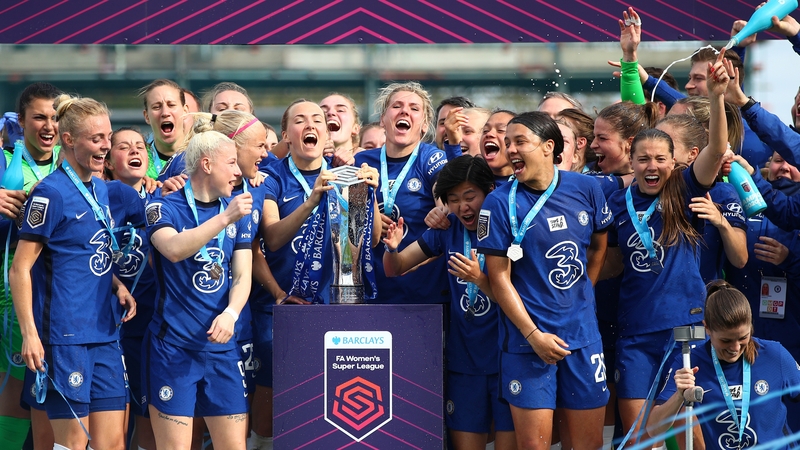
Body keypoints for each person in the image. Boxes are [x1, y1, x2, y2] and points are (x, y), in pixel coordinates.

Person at [601, 52, 731, 446]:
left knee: (688, 430)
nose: (652, 166)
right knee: (641, 436)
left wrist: (719, 98)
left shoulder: (684, 190)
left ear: (674, 163)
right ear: (632, 162)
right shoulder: (614, 200)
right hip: (635, 332)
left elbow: (715, 148)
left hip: (684, 328)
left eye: (661, 158)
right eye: (643, 159)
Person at [10, 94, 142, 450]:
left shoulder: (101, 188)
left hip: (105, 334)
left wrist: (116, 284)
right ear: (68, 140)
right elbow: (20, 269)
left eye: (108, 137)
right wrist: (30, 335)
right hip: (63, 338)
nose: (106, 146)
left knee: (112, 444)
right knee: (71, 446)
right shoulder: (50, 193)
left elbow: (81, 249)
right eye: (96, 139)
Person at [478, 111, 613, 450]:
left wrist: (583, 295)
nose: (510, 149)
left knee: (586, 445)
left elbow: (599, 247)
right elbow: (499, 279)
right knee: (535, 446)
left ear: (548, 146)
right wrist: (533, 334)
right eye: (508, 143)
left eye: (519, 141)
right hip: (527, 344)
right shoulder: (497, 203)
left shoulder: (587, 187)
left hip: (582, 339)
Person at [383, 155, 515, 450]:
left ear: (490, 191)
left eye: (470, 197)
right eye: (453, 199)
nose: (462, 207)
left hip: (508, 357)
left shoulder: (509, 226)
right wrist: (392, 249)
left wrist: (480, 280)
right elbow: (397, 268)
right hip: (464, 360)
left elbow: (519, 300)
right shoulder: (448, 228)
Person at [144, 130, 255, 450]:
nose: (238, 171)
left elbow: (242, 275)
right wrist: (224, 218)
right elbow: (174, 249)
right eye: (231, 162)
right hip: (174, 348)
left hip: (222, 349)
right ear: (206, 164)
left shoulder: (237, 213)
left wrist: (231, 314)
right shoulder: (162, 208)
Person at [648, 281, 800, 449]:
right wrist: (679, 396)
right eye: (726, 340)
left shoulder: (774, 354)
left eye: (743, 338)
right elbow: (654, 430)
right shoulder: (690, 362)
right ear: (707, 328)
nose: (735, 348)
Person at [0, 82, 62, 449]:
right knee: (13, 407)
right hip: (9, 305)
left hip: (60, 307)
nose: (49, 125)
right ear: (21, 121)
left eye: (55, 117)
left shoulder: (76, 163)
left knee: (53, 412)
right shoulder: (7, 162)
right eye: (39, 117)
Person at [353, 82, 450, 304]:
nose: (405, 111)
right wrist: (371, 209)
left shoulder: (431, 157)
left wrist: (442, 209)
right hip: (373, 294)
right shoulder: (362, 162)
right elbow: (355, 230)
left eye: (414, 108)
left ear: (424, 125)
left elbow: (443, 195)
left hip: (425, 296)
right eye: (397, 106)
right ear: (382, 120)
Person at [104, 126, 161, 450]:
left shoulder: (163, 197)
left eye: (140, 146)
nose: (135, 151)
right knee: (111, 420)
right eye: (124, 147)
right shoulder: (97, 196)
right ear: (109, 160)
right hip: (104, 324)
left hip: (148, 323)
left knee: (146, 414)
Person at [655, 114, 747, 283]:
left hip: (703, 298)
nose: (659, 150)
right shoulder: (646, 190)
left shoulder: (723, 193)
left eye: (669, 145)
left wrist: (721, 222)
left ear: (693, 153)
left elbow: (740, 259)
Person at [140, 79, 189, 179]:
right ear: (147, 116)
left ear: (185, 111)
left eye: (171, 105)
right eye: (157, 107)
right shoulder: (138, 162)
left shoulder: (203, 155)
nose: (165, 113)